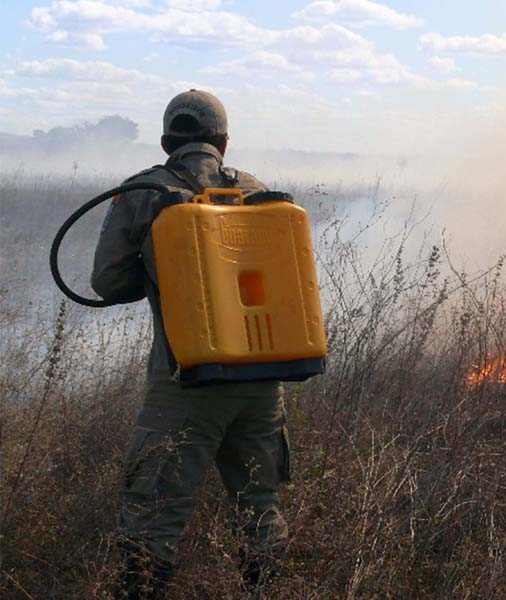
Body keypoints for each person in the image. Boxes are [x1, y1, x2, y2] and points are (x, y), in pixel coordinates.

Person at [91, 89, 290, 599]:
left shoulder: (145, 193)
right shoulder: (255, 190)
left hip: (187, 378)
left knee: (151, 513)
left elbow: (108, 283)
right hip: (262, 380)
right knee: (260, 504)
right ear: (223, 142)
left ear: (164, 142)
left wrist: (159, 274)